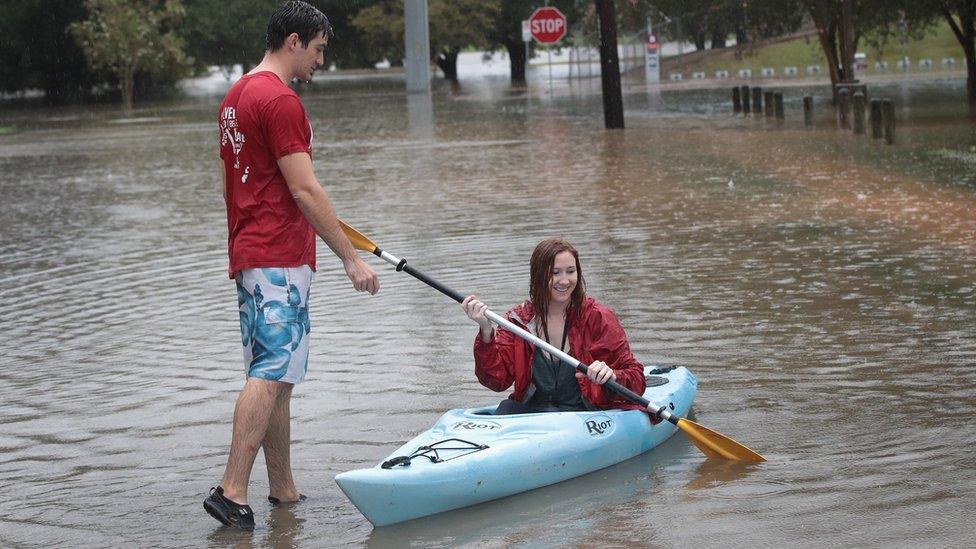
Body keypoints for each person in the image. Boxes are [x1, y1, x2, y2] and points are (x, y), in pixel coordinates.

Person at [204, 1, 379, 532]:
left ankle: (282, 489)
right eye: (319, 49)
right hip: (277, 254)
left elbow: (255, 183)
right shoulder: (280, 101)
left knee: (278, 375)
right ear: (295, 41)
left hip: (254, 251)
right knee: (270, 372)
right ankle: (231, 490)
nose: (320, 62)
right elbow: (304, 186)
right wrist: (350, 260)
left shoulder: (236, 96)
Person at [461, 239, 645, 415]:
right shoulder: (517, 321)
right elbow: (496, 381)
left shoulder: (598, 317)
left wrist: (612, 376)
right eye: (555, 273)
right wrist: (486, 332)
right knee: (507, 407)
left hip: (584, 415)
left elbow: (637, 380)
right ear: (538, 275)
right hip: (533, 413)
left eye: (570, 271)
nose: (564, 281)